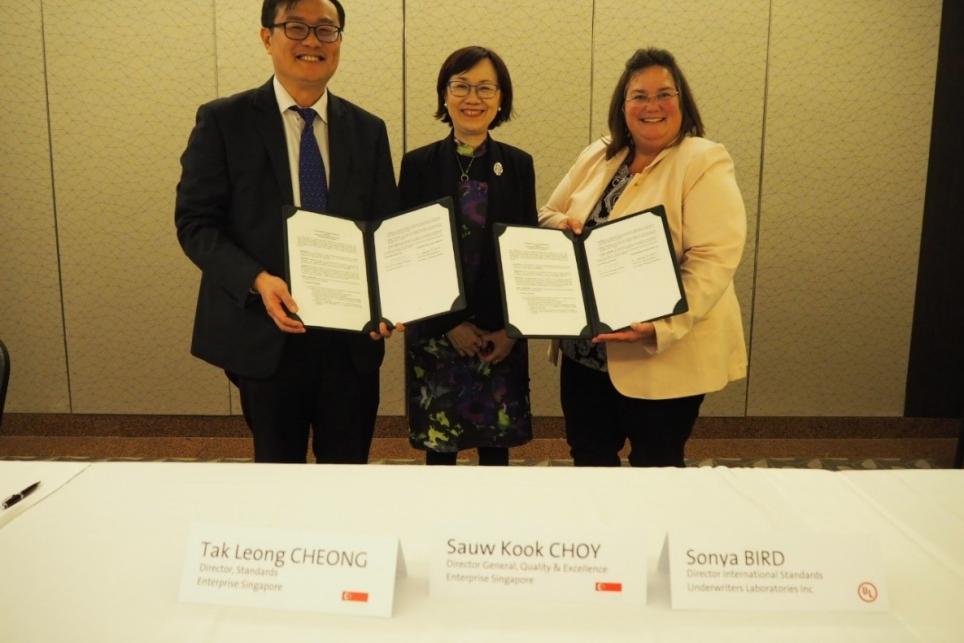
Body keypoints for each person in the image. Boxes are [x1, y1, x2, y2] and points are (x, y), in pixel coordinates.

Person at [175, 0, 398, 464]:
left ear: (339, 41)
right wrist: (257, 279)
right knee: (277, 476)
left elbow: (384, 230)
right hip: (266, 333)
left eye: (326, 30)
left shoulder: (368, 130)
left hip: (349, 343)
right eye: (296, 27)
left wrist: (394, 299)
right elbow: (196, 224)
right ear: (266, 37)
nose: (312, 41)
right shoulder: (224, 121)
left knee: (348, 471)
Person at [538, 48, 747, 467]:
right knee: (590, 457)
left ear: (682, 102)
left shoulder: (703, 160)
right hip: (585, 351)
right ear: (623, 104)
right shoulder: (600, 153)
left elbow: (713, 260)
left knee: (657, 466)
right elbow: (545, 213)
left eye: (664, 94)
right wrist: (561, 226)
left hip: (663, 351)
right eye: (639, 96)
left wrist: (660, 325)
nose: (652, 106)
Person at [398, 46, 536, 466]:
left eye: (484, 88)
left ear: (500, 99)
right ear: (444, 95)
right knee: (441, 461)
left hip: (500, 339)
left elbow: (525, 255)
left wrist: (511, 332)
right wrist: (449, 324)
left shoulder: (517, 165)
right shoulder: (418, 164)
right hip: (438, 339)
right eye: (461, 86)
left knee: (495, 460)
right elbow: (405, 254)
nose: (472, 98)